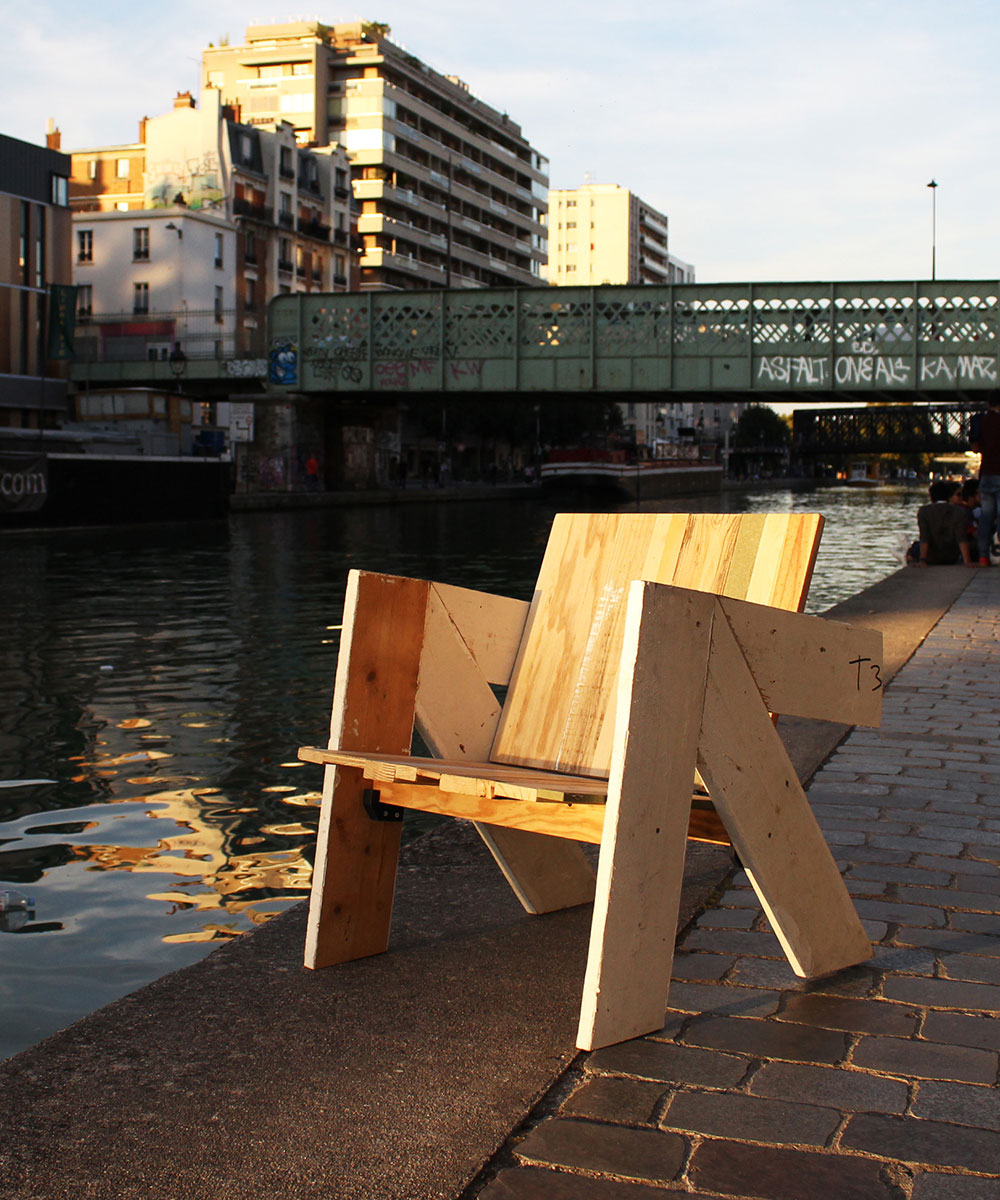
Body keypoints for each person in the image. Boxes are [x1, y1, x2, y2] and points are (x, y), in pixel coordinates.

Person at [913, 479, 976, 566]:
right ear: (948, 496)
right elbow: (961, 538)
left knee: (915, 545)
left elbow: (924, 537)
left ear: (931, 497)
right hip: (952, 557)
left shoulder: (924, 511)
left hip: (932, 557)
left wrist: (923, 559)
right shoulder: (960, 511)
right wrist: (967, 561)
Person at [970, 393, 1000, 565]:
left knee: (986, 516)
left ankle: (983, 556)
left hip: (986, 473)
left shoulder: (979, 420)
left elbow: (975, 448)